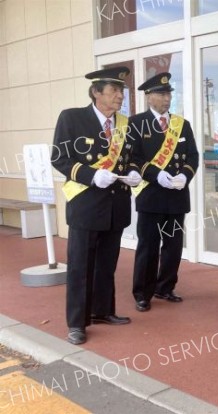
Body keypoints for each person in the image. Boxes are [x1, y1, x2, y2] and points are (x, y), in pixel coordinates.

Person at [51, 66, 142, 345]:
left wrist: (136, 171)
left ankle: (103, 311)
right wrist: (92, 175)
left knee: (106, 265)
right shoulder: (72, 118)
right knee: (80, 266)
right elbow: (59, 158)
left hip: (116, 205)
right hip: (86, 205)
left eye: (122, 91)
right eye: (114, 91)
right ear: (96, 92)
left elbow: (134, 157)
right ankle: (77, 322)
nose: (120, 96)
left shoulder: (126, 125)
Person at [129, 72, 199, 312]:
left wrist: (185, 175)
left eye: (168, 93)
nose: (166, 99)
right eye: (160, 94)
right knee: (148, 246)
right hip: (150, 195)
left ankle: (165, 287)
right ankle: (143, 293)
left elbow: (193, 156)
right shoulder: (136, 124)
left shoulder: (182, 124)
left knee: (173, 245)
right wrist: (156, 174)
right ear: (149, 97)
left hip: (177, 196)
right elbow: (134, 158)